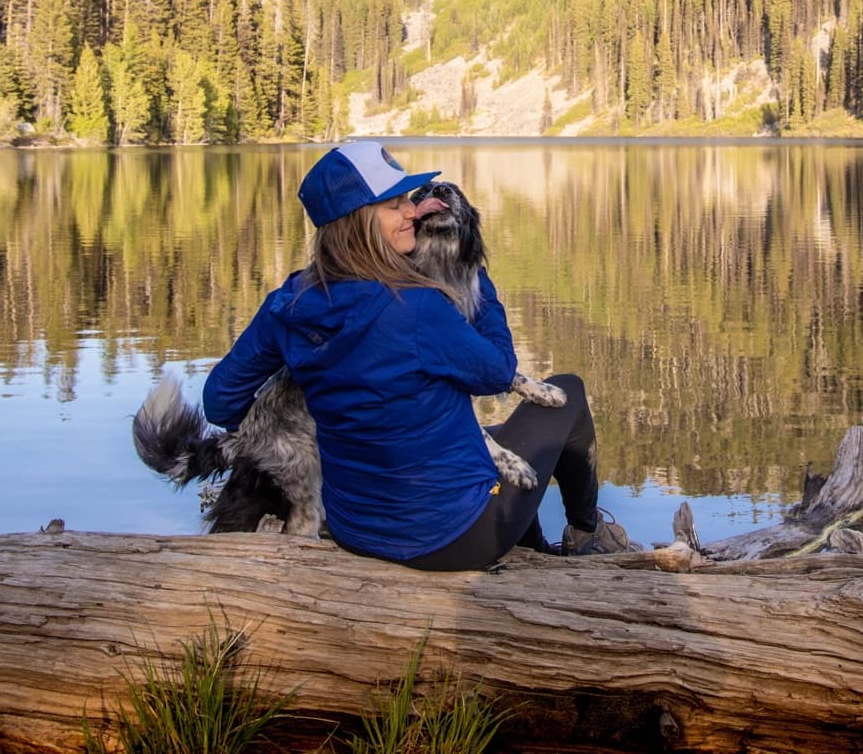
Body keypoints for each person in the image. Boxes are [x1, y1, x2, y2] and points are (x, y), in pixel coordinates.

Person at [200, 141, 634, 570]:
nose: (412, 211)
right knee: (569, 391)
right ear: (357, 224)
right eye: (394, 205)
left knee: (486, 433)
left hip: (353, 528)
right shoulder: (418, 309)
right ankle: (586, 534)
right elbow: (499, 371)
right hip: (452, 539)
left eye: (407, 199)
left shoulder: (287, 302)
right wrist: (474, 270)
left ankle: (540, 542)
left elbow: (220, 402)